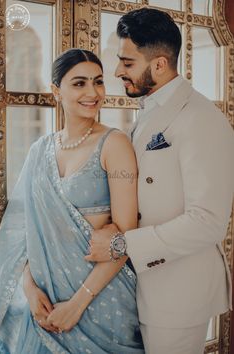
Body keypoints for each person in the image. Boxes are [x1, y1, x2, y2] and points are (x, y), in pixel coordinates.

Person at [85, 8, 234, 354]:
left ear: (160, 65)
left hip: (177, 295)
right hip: (139, 285)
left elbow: (208, 222)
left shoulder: (201, 119)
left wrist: (123, 245)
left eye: (127, 62)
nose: (118, 71)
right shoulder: (151, 108)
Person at [0, 48, 145, 353]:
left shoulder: (114, 144)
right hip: (44, 306)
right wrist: (29, 288)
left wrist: (77, 305)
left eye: (99, 82)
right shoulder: (39, 150)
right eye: (79, 83)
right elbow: (25, 233)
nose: (93, 92)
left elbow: (125, 237)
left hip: (102, 305)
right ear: (56, 91)